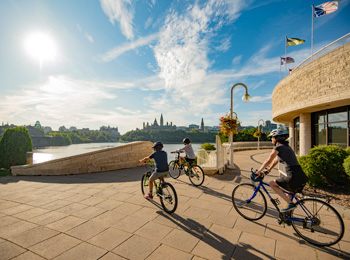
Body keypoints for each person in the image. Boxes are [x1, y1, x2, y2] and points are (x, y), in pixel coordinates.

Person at [256, 129, 308, 212]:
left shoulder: (278, 147)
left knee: (272, 184)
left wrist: (258, 171)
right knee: (288, 196)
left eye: (272, 137)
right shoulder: (286, 147)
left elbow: (268, 160)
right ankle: (287, 217)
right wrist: (268, 170)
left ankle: (290, 204)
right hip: (301, 176)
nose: (271, 139)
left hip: (293, 176)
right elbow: (276, 160)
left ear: (276, 138)